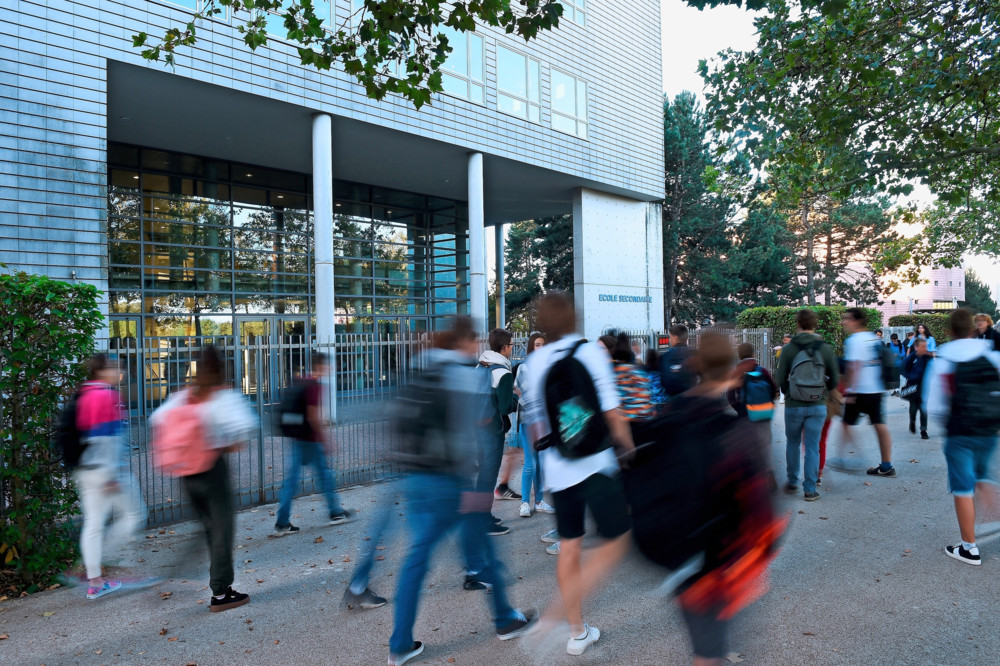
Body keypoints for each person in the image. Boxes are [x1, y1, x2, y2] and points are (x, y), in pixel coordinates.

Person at [626, 333, 783, 666]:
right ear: (732, 374)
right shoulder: (738, 435)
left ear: (695, 368)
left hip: (673, 550)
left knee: (705, 646)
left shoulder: (667, 416)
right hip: (716, 563)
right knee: (708, 651)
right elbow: (761, 513)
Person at [387, 317, 534, 665]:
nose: (475, 349)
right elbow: (467, 431)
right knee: (485, 553)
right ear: (463, 343)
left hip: (417, 480)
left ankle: (400, 644)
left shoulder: (418, 375)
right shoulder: (459, 377)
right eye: (472, 343)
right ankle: (505, 620)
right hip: (450, 481)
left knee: (416, 561)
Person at [522, 292, 635, 657]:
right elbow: (613, 410)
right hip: (597, 463)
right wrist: (627, 447)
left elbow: (536, 424)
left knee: (569, 547)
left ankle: (576, 631)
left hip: (558, 468)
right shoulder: (591, 354)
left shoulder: (535, 362)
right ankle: (557, 614)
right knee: (617, 540)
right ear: (574, 318)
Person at [150, 345, 256, 611]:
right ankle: (220, 593)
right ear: (222, 368)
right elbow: (242, 431)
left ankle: (218, 583)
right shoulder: (222, 397)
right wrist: (223, 441)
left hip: (186, 473)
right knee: (222, 530)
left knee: (208, 528)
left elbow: (157, 419)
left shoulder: (183, 396)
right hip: (212, 470)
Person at [924, 308, 1000, 566]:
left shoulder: (944, 361)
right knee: (982, 476)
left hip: (959, 431)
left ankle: (969, 548)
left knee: (963, 488)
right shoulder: (991, 355)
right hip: (989, 429)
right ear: (972, 329)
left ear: (949, 331)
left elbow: (934, 406)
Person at [73, 354, 146, 600]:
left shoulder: (84, 393)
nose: (119, 371)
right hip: (107, 469)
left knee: (93, 523)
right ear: (102, 371)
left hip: (85, 468)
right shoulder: (107, 395)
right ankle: (104, 560)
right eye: (115, 367)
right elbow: (105, 437)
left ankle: (95, 580)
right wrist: (110, 473)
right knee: (135, 515)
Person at [273, 353, 352, 537]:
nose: (331, 368)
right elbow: (313, 416)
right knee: (325, 476)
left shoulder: (303, 381)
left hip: (298, 438)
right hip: (311, 439)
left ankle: (282, 522)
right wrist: (326, 440)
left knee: (292, 481)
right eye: (328, 365)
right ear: (322, 366)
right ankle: (335, 512)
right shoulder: (315, 386)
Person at [774, 309, 839, 501]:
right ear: (814, 325)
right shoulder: (824, 348)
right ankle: (810, 489)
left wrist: (789, 392)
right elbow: (834, 378)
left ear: (798, 324)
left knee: (792, 442)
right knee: (812, 446)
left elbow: (780, 377)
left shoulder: (788, 348)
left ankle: (792, 481)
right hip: (817, 403)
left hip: (794, 404)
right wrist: (823, 391)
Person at [842, 307, 896, 477]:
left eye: (847, 318)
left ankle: (853, 458)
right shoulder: (873, 338)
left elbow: (854, 366)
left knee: (846, 424)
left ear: (857, 320)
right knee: (880, 424)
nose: (844, 322)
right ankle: (887, 464)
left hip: (860, 389)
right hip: (876, 388)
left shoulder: (854, 340)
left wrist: (850, 391)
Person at [477, 329, 517, 536]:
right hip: (493, 430)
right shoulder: (503, 372)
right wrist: (516, 398)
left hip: (479, 427)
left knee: (484, 474)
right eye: (511, 344)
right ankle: (483, 521)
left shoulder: (482, 364)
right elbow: (505, 407)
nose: (512, 347)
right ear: (504, 347)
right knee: (488, 474)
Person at [726, 342, 778, 451]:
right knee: (765, 444)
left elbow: (730, 395)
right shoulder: (762, 371)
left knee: (747, 446)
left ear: (739, 355)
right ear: (753, 354)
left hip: (745, 414)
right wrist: (767, 403)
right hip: (763, 412)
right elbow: (773, 390)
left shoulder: (737, 373)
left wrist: (739, 408)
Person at [612, 333, 656, 421]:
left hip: (630, 419)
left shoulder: (618, 371)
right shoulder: (640, 370)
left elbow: (616, 400)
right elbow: (648, 394)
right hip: (647, 417)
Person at [902, 338, 932, 440]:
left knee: (923, 409)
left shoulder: (928, 358)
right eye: (923, 347)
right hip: (913, 386)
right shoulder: (911, 357)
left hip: (924, 386)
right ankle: (912, 421)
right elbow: (903, 369)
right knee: (913, 408)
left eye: (926, 346)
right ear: (916, 347)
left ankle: (923, 430)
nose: (925, 349)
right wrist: (910, 377)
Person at [659, 324, 697, 399]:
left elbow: (664, 381)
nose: (669, 340)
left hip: (673, 400)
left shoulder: (666, 356)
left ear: (675, 338)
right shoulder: (695, 354)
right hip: (692, 399)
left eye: (670, 337)